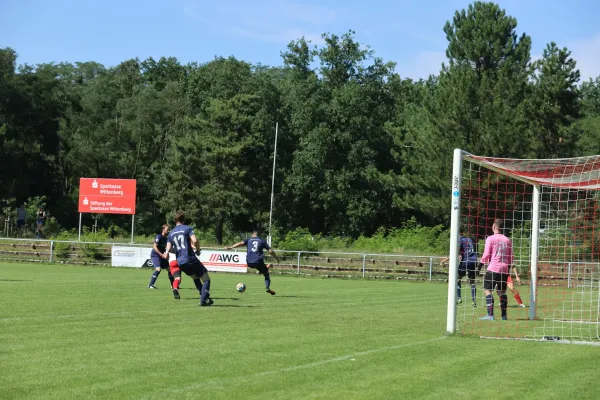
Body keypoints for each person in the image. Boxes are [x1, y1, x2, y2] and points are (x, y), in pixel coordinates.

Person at [164, 212, 213, 306]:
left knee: (195, 277)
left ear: (175, 221)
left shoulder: (171, 233)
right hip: (190, 258)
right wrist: (198, 249)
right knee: (206, 279)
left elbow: (169, 248)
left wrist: (178, 252)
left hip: (180, 262)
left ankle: (206, 297)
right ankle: (203, 300)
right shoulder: (187, 228)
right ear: (183, 220)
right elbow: (195, 240)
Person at [225, 230, 280, 295]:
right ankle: (267, 288)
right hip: (258, 261)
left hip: (249, 262)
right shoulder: (262, 240)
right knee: (266, 274)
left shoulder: (249, 240)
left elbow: (240, 243)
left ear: (252, 234)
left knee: (260, 267)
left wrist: (231, 247)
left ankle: (262, 269)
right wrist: (276, 258)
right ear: (258, 235)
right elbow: (270, 251)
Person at [479, 219, 513, 321]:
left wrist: (479, 266)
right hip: (504, 269)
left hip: (493, 268)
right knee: (502, 292)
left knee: (488, 290)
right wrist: (508, 270)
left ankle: (490, 315)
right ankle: (504, 316)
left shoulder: (490, 238)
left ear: (494, 227)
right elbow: (510, 257)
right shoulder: (508, 240)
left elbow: (486, 254)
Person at [441, 230, 479, 306]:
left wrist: (444, 260)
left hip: (466, 261)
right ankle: (473, 301)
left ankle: (458, 298)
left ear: (459, 233)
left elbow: (455, 251)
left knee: (458, 278)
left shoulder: (460, 239)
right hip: (474, 261)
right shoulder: (470, 239)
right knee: (472, 281)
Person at [148, 224, 175, 289]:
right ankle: (151, 285)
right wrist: (161, 254)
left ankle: (173, 285)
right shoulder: (159, 236)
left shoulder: (166, 239)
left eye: (169, 230)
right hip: (155, 255)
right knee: (158, 269)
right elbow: (154, 247)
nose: (168, 231)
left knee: (169, 269)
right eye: (167, 230)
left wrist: (177, 252)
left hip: (162, 256)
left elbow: (168, 249)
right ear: (163, 230)